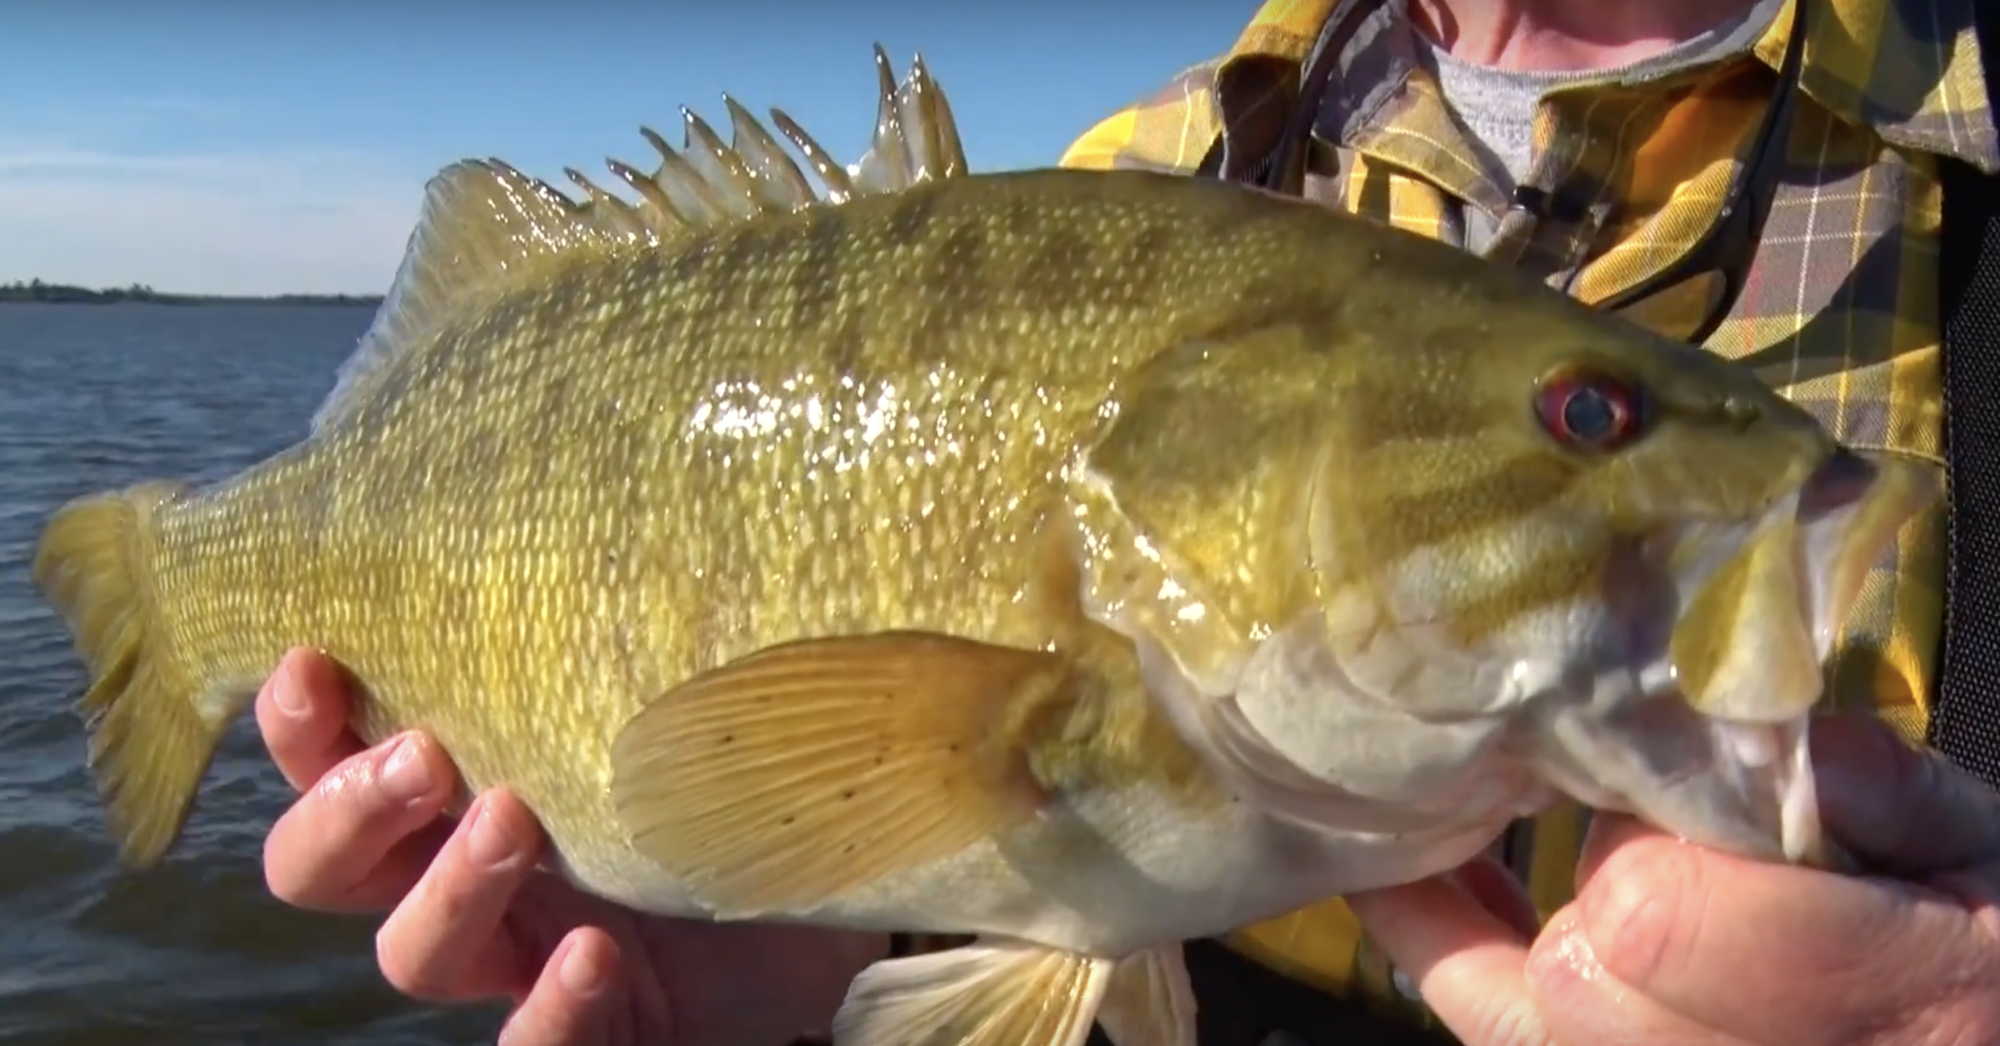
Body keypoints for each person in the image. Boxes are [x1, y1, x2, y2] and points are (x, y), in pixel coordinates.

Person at [253, 0, 2000, 1044]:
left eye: (1585, 418)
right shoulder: (1141, 179)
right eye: (1586, 420)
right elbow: (980, 845)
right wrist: (768, 934)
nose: (1627, 464)